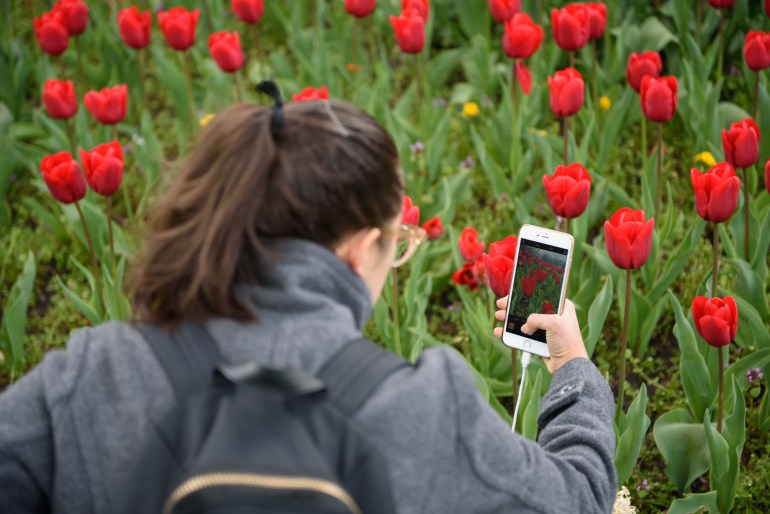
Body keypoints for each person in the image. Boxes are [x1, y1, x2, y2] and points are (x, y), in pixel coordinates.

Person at [0, 93, 616, 513]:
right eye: (394, 245)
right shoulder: (422, 411)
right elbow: (580, 497)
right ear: (357, 249)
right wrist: (572, 370)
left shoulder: (96, 374)